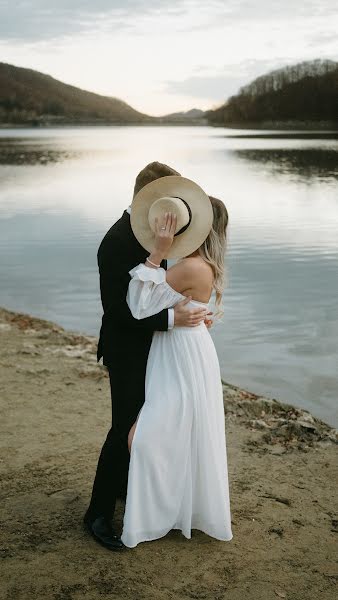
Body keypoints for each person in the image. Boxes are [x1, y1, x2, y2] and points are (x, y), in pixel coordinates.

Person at [84, 163, 209, 551]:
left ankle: (131, 490)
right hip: (126, 350)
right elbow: (120, 311)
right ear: (145, 201)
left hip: (159, 349)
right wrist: (175, 318)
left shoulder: (166, 235)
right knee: (124, 428)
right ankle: (97, 514)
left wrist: (196, 309)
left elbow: (164, 289)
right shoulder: (117, 242)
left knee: (150, 423)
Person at [119, 174, 233, 548]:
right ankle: (174, 509)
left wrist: (156, 251)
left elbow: (138, 305)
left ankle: (155, 515)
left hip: (181, 357)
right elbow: (168, 303)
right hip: (185, 350)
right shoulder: (197, 265)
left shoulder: (190, 266)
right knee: (179, 431)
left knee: (148, 434)